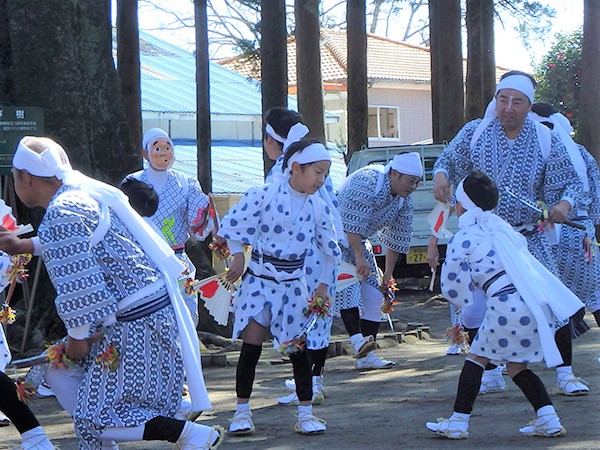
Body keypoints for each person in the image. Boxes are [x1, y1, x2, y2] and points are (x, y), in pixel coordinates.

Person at [0, 136, 222, 449]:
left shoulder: (62, 213)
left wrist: (77, 337)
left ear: (26, 177)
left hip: (134, 326)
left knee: (93, 418)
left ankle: (188, 434)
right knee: (55, 370)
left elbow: (82, 287)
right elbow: (82, 244)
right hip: (142, 316)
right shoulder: (82, 195)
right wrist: (24, 245)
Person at [433, 70, 588, 396]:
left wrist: (563, 203)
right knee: (478, 306)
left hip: (527, 237)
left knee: (549, 302)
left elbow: (572, 183)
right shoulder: (476, 132)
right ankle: (489, 371)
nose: (508, 108)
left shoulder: (546, 137)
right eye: (503, 100)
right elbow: (448, 159)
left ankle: (565, 373)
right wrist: (442, 177)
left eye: (517, 102)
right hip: (485, 238)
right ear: (496, 101)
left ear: (528, 106)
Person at [426, 171, 583, 439]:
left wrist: (462, 301)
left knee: (475, 359)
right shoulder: (502, 228)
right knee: (516, 368)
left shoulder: (464, 237)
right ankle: (549, 419)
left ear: (463, 203)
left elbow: (452, 283)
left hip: (503, 305)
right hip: (530, 304)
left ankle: (458, 422)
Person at [218, 139, 341, 436]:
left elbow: (331, 250)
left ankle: (306, 413)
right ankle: (242, 411)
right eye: (317, 173)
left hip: (293, 285)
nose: (321, 180)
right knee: (252, 345)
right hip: (260, 280)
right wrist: (237, 256)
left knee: (298, 349)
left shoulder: (318, 206)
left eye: (325, 174)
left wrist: (323, 285)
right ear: (296, 168)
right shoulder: (262, 195)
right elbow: (232, 226)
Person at [262, 107, 343, 405]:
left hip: (298, 257)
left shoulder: (285, 170)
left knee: (298, 318)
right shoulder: (315, 164)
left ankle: (307, 385)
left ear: (273, 140)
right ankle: (315, 379)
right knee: (318, 316)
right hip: (325, 252)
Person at [335, 152, 422, 370]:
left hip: (360, 244)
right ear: (395, 173)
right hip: (334, 242)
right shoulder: (367, 181)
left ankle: (367, 355)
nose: (413, 186)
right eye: (410, 181)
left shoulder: (404, 202)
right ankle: (357, 341)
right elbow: (350, 224)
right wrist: (358, 257)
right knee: (348, 291)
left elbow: (397, 238)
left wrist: (389, 274)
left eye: (417, 182)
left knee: (376, 297)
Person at [531, 102, 600, 366]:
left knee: (551, 298)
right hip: (584, 234)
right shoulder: (581, 152)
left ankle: (557, 363)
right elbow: (595, 193)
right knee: (595, 296)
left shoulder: (539, 150)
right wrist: (592, 226)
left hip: (551, 232)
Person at [123, 128, 215, 326]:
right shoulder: (133, 182)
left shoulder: (187, 182)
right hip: (143, 259)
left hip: (178, 259)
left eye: (167, 147)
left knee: (185, 313)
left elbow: (198, 223)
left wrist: (209, 213)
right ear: (145, 153)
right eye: (158, 148)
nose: (164, 152)